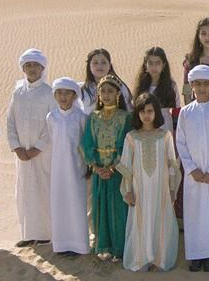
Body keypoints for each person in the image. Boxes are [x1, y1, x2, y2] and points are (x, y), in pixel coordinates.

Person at [118, 93, 180, 271]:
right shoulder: (131, 137)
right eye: (142, 111)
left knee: (160, 221)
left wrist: (173, 188)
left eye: (150, 111)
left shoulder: (165, 135)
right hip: (140, 190)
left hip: (160, 189)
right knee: (141, 221)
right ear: (137, 113)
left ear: (156, 113)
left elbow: (172, 164)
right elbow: (126, 167)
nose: (146, 115)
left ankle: (159, 259)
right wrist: (127, 191)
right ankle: (141, 259)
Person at [176, 65, 209, 272]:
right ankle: (196, 254)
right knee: (195, 213)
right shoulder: (186, 113)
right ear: (191, 86)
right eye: (197, 84)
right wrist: (191, 169)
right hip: (193, 175)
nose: (202, 88)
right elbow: (181, 142)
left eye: (206, 84)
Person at [7, 48, 56, 247]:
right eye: (28, 65)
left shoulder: (49, 92)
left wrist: (38, 147)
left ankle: (45, 234)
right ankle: (27, 234)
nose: (32, 69)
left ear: (42, 67)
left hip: (42, 154)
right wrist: (17, 147)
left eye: (35, 65)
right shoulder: (17, 92)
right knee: (24, 192)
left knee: (43, 190)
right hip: (22, 155)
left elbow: (51, 123)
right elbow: (10, 121)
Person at [81, 75, 131, 261]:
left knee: (118, 207)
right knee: (100, 207)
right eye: (103, 91)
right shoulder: (93, 117)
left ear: (118, 93)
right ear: (98, 95)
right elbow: (86, 143)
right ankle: (104, 246)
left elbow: (125, 144)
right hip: (98, 170)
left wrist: (112, 166)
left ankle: (120, 247)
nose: (106, 95)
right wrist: (95, 166)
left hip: (117, 171)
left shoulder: (125, 117)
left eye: (110, 91)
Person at [47, 77, 89, 257]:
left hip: (76, 167)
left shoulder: (81, 117)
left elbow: (85, 142)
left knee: (76, 203)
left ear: (74, 95)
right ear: (55, 95)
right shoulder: (51, 117)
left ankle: (79, 245)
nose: (63, 97)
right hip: (58, 169)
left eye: (67, 93)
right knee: (60, 203)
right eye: (60, 93)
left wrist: (87, 166)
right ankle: (61, 244)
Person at [133, 46, 181, 136]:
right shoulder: (140, 85)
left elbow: (176, 110)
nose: (154, 67)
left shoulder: (171, 85)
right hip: (144, 125)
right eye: (150, 63)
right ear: (145, 65)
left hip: (165, 125)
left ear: (163, 65)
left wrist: (175, 132)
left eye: (157, 63)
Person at [80, 48, 132, 115]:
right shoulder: (81, 89)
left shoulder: (120, 86)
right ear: (89, 66)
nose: (99, 66)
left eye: (104, 62)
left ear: (110, 65)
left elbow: (129, 110)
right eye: (95, 63)